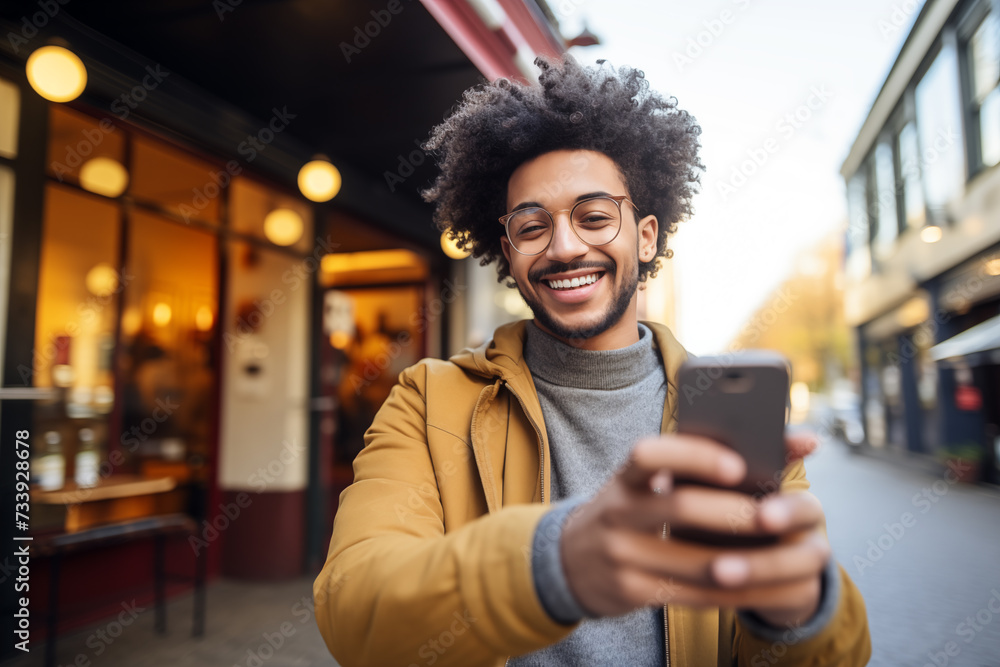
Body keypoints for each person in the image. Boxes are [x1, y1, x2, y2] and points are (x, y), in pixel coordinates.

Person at [314, 56, 870, 666]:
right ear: (507, 250)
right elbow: (355, 606)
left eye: (596, 216)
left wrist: (795, 612)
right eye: (531, 227)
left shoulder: (726, 419)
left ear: (647, 235)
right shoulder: (429, 401)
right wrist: (556, 562)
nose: (565, 246)